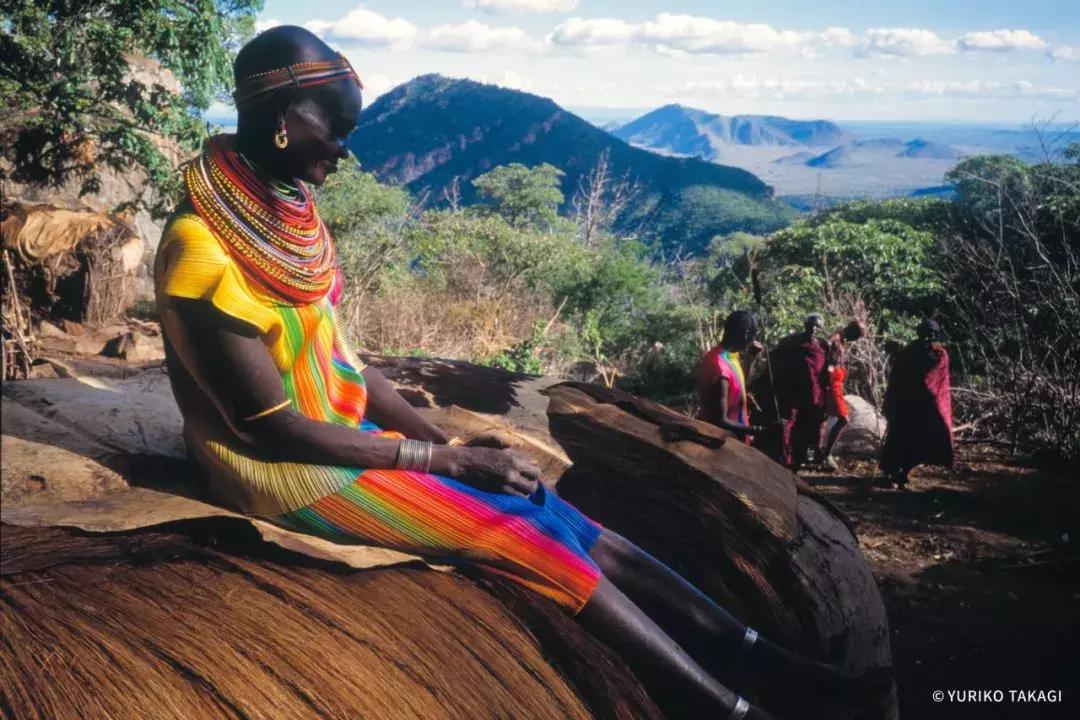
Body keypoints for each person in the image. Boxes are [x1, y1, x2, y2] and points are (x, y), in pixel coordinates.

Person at [153, 26, 886, 719]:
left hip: (346, 435)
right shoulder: (202, 249)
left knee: (556, 509)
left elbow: (351, 370)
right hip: (288, 469)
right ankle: (722, 707)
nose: (344, 151)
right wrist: (443, 460)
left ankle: (746, 650)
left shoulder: (287, 211)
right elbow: (273, 429)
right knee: (518, 535)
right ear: (284, 116)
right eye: (334, 130)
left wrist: (452, 443)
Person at [879, 319, 954, 488]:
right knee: (898, 439)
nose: (928, 338)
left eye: (932, 335)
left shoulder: (939, 354)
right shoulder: (908, 352)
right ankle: (891, 472)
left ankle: (904, 473)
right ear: (919, 334)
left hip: (925, 407)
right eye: (925, 334)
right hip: (906, 405)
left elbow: (937, 380)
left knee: (917, 441)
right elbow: (898, 377)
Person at [769, 314, 827, 472]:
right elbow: (776, 356)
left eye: (817, 326)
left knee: (810, 429)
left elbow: (827, 371)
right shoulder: (792, 342)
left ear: (821, 329)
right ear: (806, 325)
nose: (813, 329)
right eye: (811, 325)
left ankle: (802, 459)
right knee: (790, 425)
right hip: (793, 391)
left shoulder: (822, 347)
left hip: (814, 394)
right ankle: (786, 460)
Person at [698, 311, 768, 442]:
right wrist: (758, 430)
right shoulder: (720, 368)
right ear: (746, 335)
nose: (754, 341)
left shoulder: (726, 356)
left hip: (735, 441)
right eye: (753, 336)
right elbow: (721, 421)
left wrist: (750, 360)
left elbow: (737, 389)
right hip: (725, 445)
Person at [814, 320, 867, 471]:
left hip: (835, 385)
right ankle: (826, 455)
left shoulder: (843, 340)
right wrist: (827, 378)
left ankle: (820, 454)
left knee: (823, 419)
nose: (856, 340)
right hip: (830, 385)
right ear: (852, 331)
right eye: (857, 335)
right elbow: (827, 361)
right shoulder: (835, 340)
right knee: (844, 418)